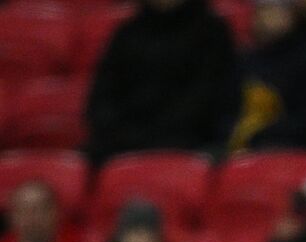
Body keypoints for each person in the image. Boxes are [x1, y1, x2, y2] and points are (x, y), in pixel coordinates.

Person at [85, 0, 241, 164]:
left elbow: (210, 97)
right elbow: (103, 95)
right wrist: (122, 133)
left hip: (192, 141)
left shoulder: (212, 32)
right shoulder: (127, 32)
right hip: (123, 142)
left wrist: (159, 135)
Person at [228, 0, 306, 156]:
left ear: (292, 15)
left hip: (292, 147)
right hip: (243, 144)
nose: (265, 18)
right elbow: (226, 109)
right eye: (261, 11)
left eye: (273, 11)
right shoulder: (247, 59)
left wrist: (259, 134)